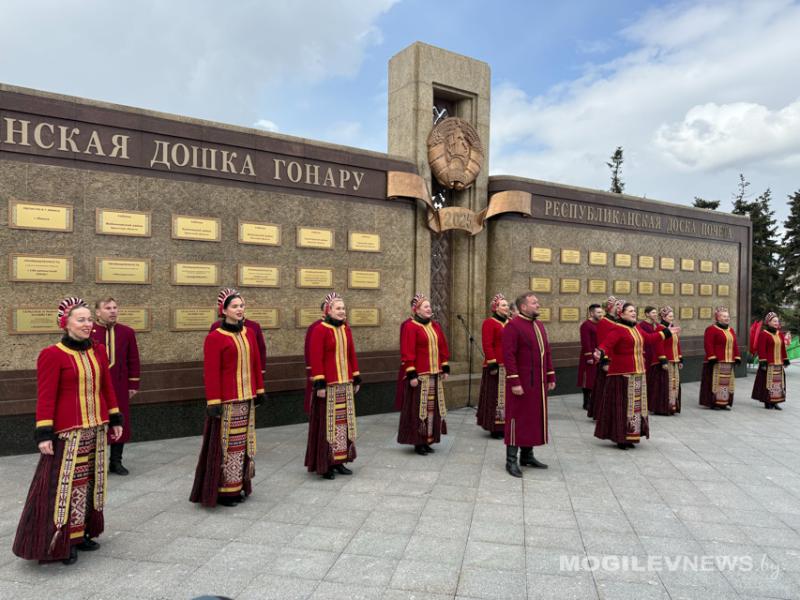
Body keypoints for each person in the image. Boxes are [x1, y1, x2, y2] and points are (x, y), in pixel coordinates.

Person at [13, 297, 123, 565]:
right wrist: (44, 433)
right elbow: (46, 396)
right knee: (66, 487)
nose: (87, 324)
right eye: (80, 320)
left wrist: (115, 417)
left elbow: (106, 387)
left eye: (89, 319)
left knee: (91, 483)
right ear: (65, 323)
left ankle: (82, 531)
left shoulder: (98, 351)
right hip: (68, 432)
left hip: (96, 428)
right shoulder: (52, 355)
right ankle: (62, 540)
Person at [190, 289, 265, 507]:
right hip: (227, 401)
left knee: (242, 445)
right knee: (226, 446)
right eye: (234, 306)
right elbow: (211, 371)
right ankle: (223, 490)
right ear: (223, 310)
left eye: (241, 305)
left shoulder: (249, 333)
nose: (239, 309)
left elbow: (255, 363)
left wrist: (259, 390)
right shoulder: (215, 337)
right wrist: (213, 401)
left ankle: (239, 485)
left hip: (246, 398)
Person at [594, 302, 679, 449]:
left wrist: (666, 333)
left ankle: (631, 435)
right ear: (621, 314)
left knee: (635, 406)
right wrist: (600, 353)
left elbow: (649, 339)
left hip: (638, 372)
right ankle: (620, 437)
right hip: (622, 374)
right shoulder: (618, 328)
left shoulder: (636, 328)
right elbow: (606, 344)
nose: (634, 313)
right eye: (630, 311)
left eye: (634, 310)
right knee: (623, 407)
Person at [305, 293, 361, 479]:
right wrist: (319, 383)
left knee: (343, 424)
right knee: (327, 425)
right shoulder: (319, 329)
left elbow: (351, 354)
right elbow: (316, 357)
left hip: (345, 383)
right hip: (328, 385)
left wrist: (356, 377)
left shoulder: (346, 329)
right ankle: (325, 463)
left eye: (343, 308)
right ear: (328, 310)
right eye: (338, 308)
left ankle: (339, 460)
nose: (342, 311)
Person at [502, 292, 555, 477]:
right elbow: (508, 356)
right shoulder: (513, 326)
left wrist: (550, 375)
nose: (538, 305)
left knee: (532, 419)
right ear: (523, 307)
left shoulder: (539, 325)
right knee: (517, 419)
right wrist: (514, 381)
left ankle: (527, 456)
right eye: (534, 303)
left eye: (537, 302)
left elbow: (547, 352)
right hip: (521, 383)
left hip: (538, 384)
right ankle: (511, 461)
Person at [91, 297, 140, 476]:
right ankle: (95, 463)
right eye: (108, 308)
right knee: (97, 421)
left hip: (119, 384)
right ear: (98, 312)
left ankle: (116, 461)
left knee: (120, 421)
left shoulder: (127, 332)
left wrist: (133, 383)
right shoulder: (89, 331)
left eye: (115, 307)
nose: (113, 311)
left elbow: (133, 359)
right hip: (96, 386)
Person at [396, 293, 450, 455]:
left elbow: (442, 346)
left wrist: (444, 366)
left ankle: (428, 439)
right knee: (419, 409)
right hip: (420, 376)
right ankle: (418, 442)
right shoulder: (410, 326)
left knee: (432, 409)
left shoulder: (435, 326)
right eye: (425, 306)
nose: (429, 309)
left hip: (434, 374)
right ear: (417, 310)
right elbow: (407, 351)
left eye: (429, 306)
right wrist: (411, 373)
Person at [476, 293, 510, 438]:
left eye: (507, 305)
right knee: (495, 397)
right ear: (496, 308)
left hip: (509, 366)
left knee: (508, 398)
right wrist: (492, 363)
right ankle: (495, 427)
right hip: (495, 366)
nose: (507, 307)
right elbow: (487, 344)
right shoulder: (489, 323)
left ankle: (506, 425)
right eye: (503, 305)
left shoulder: (510, 322)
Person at [588, 297, 624, 420]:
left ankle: (613, 413)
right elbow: (602, 342)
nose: (619, 307)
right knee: (604, 388)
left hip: (618, 360)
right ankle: (602, 414)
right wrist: (605, 361)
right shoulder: (604, 322)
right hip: (607, 360)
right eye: (617, 305)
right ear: (610, 308)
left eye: (620, 305)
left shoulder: (618, 321)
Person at [699, 306, 741, 410]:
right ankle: (714, 403)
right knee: (715, 383)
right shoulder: (711, 329)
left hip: (729, 361)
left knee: (727, 383)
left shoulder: (731, 330)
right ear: (718, 318)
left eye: (728, 316)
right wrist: (712, 357)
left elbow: (735, 345)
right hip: (716, 362)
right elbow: (708, 344)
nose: (727, 318)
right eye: (724, 316)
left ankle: (724, 402)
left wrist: (737, 356)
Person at [648, 306, 683, 415]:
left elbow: (677, 344)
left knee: (674, 383)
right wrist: (663, 360)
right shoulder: (660, 328)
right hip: (664, 361)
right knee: (665, 384)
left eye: (672, 316)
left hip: (674, 360)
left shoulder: (672, 328)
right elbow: (658, 345)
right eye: (670, 316)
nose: (672, 318)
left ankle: (672, 406)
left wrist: (680, 358)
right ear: (663, 317)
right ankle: (662, 407)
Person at [752, 311, 789, 410]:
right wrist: (763, 362)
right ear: (768, 322)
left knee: (778, 383)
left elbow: (782, 348)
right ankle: (767, 401)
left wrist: (785, 360)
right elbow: (761, 349)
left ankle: (775, 401)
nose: (777, 323)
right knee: (767, 383)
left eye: (777, 321)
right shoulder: (764, 334)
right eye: (774, 321)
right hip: (769, 364)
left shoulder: (780, 334)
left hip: (778, 363)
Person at [578, 304, 602, 411]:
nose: (600, 314)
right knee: (588, 380)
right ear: (592, 313)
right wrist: (589, 356)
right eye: (598, 312)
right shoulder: (586, 325)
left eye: (601, 312)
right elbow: (585, 342)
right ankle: (586, 402)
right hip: (589, 357)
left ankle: (595, 400)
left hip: (600, 355)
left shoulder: (600, 324)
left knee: (596, 379)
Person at [303, 302, 325, 416]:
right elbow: (309, 350)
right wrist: (311, 371)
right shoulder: (315, 327)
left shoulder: (343, 327)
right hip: (319, 371)